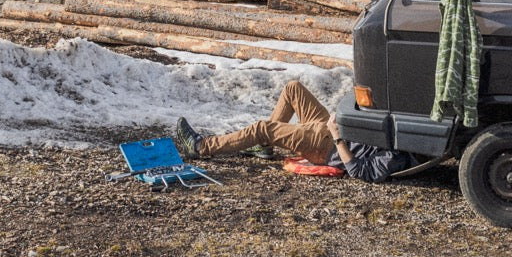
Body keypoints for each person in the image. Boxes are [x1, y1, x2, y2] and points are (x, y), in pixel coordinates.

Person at [173, 81, 417, 183]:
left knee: (262, 128)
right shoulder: (400, 126)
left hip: (326, 146)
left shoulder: (395, 156)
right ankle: (264, 146)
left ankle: (201, 147)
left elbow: (359, 171)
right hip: (328, 127)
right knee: (293, 88)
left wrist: (337, 136)